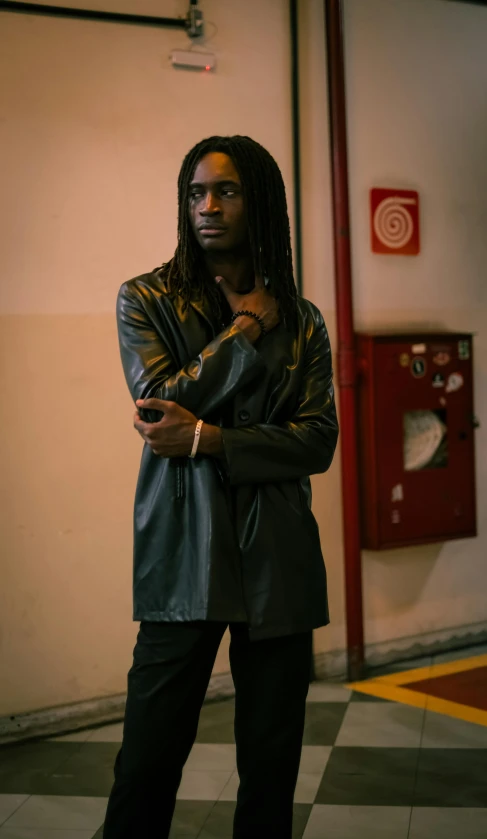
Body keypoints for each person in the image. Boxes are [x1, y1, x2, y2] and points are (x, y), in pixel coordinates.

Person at [103, 135, 339, 839]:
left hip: (278, 557)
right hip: (183, 553)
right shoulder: (145, 298)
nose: (206, 206)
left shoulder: (301, 318)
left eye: (226, 191)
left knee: (270, 766)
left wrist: (207, 438)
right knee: (147, 757)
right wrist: (240, 330)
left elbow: (315, 440)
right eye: (195, 192)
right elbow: (158, 408)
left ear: (260, 199)